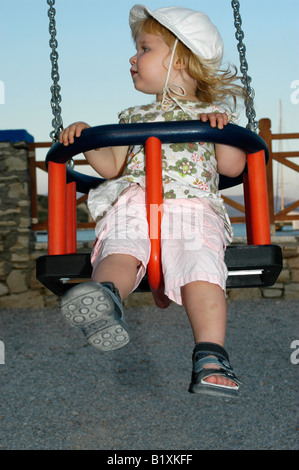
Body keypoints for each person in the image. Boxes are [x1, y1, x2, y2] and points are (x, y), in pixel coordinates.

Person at [59, 5, 246, 398]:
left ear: (183, 60)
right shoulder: (132, 118)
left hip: (192, 208)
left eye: (144, 48)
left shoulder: (211, 117)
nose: (132, 57)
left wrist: (224, 132)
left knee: (202, 271)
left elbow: (233, 165)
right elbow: (112, 167)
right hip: (137, 202)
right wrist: (85, 139)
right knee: (121, 246)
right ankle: (105, 296)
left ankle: (211, 355)